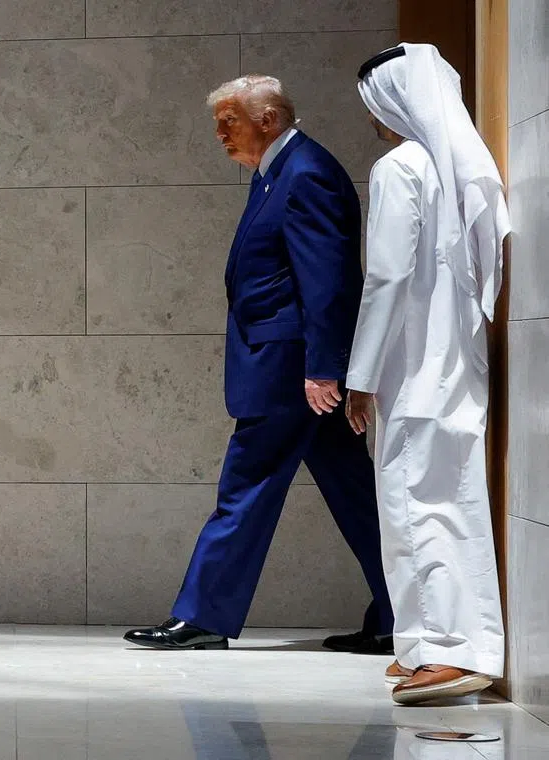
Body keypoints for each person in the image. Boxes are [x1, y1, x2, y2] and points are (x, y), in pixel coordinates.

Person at [124, 76, 393, 652]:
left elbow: (328, 281)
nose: (220, 133)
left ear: (268, 118)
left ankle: (204, 615)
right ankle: (400, 613)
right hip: (291, 367)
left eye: (229, 120)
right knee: (353, 492)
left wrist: (323, 367)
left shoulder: (306, 173)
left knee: (245, 485)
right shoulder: (277, 172)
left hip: (291, 371)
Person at [345, 43, 508, 705]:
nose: (374, 119)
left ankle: (451, 650)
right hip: (455, 362)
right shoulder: (454, 166)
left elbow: (384, 277)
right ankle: (425, 643)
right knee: (448, 499)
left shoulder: (401, 167)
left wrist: (359, 374)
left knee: (416, 504)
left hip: (414, 367)